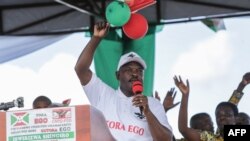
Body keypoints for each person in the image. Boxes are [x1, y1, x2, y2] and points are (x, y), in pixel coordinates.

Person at [75, 21, 173, 141]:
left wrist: (148, 112)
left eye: (139, 71)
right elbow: (81, 69)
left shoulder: (154, 105)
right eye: (129, 70)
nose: (135, 73)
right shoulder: (103, 94)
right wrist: (96, 38)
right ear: (117, 75)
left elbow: (166, 139)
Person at [175, 75, 238, 141]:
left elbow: (230, 107)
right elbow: (183, 129)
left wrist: (241, 85)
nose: (222, 118)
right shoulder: (209, 138)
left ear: (235, 119)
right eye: (218, 116)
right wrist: (185, 96)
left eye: (227, 115)